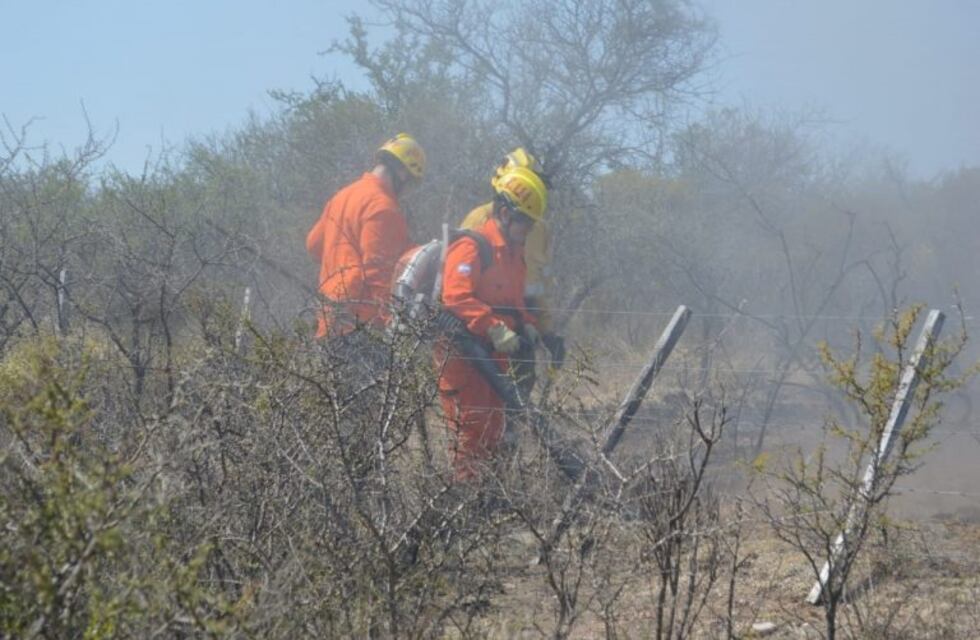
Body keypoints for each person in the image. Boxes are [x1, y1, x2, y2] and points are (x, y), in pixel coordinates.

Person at [437, 166, 548, 481]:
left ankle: (487, 501)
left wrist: (527, 324)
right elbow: (455, 297)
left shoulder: (514, 254)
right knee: (470, 433)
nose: (527, 230)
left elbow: (512, 302)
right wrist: (493, 327)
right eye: (524, 222)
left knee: (493, 431)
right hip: (464, 356)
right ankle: (464, 509)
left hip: (495, 357)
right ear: (504, 212)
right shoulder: (473, 245)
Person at [458, 148, 564, 399]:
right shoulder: (480, 220)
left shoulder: (540, 229)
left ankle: (512, 436)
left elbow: (538, 284)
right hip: (483, 328)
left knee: (520, 394)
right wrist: (489, 328)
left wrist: (546, 331)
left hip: (522, 321)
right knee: (486, 397)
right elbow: (458, 288)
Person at [305, 133, 425, 342]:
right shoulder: (383, 207)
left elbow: (313, 245)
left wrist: (339, 265)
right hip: (362, 325)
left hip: (329, 316)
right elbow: (379, 272)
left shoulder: (343, 195)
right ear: (402, 173)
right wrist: (391, 322)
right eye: (410, 183)